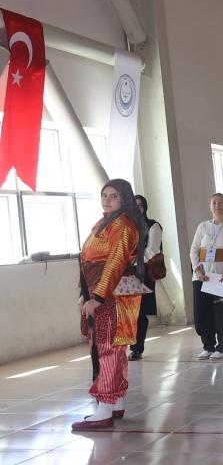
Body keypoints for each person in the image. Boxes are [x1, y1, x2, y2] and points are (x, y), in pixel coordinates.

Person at [71, 178, 147, 431]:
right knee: (112, 348)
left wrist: (98, 297)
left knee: (107, 348)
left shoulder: (123, 225)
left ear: (124, 198)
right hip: (100, 291)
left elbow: (115, 263)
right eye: (104, 195)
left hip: (110, 295)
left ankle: (104, 409)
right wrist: (84, 293)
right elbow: (87, 259)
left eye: (114, 195)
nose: (107, 199)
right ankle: (115, 403)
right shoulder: (105, 222)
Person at [189, 193, 223, 360]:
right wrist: (197, 270)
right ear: (210, 206)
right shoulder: (202, 226)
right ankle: (208, 346)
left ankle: (221, 347)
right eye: (214, 203)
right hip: (203, 276)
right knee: (203, 312)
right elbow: (194, 250)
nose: (217, 206)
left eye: (220, 203)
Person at [129, 194, 162, 361]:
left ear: (145, 207)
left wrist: (131, 256)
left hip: (144, 272)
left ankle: (137, 348)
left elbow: (152, 251)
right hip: (128, 272)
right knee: (130, 311)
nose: (137, 208)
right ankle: (131, 345)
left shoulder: (153, 226)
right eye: (134, 205)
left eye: (140, 205)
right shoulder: (126, 227)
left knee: (140, 312)